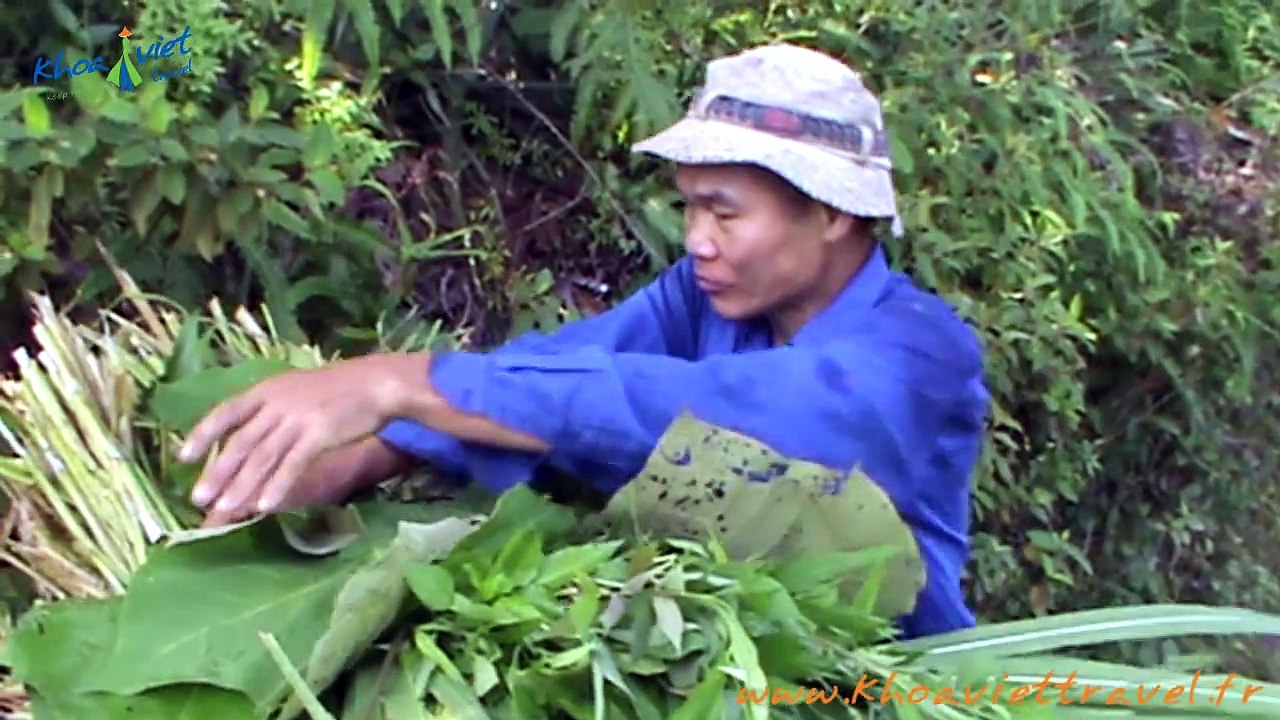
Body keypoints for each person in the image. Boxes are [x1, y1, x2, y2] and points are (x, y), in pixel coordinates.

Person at [179, 43, 990, 639]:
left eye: (726, 211)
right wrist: (366, 454)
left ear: (833, 211)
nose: (696, 240)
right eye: (689, 208)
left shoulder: (918, 360)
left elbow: (678, 413)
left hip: (869, 685)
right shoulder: (706, 299)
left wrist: (402, 381)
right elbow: (571, 368)